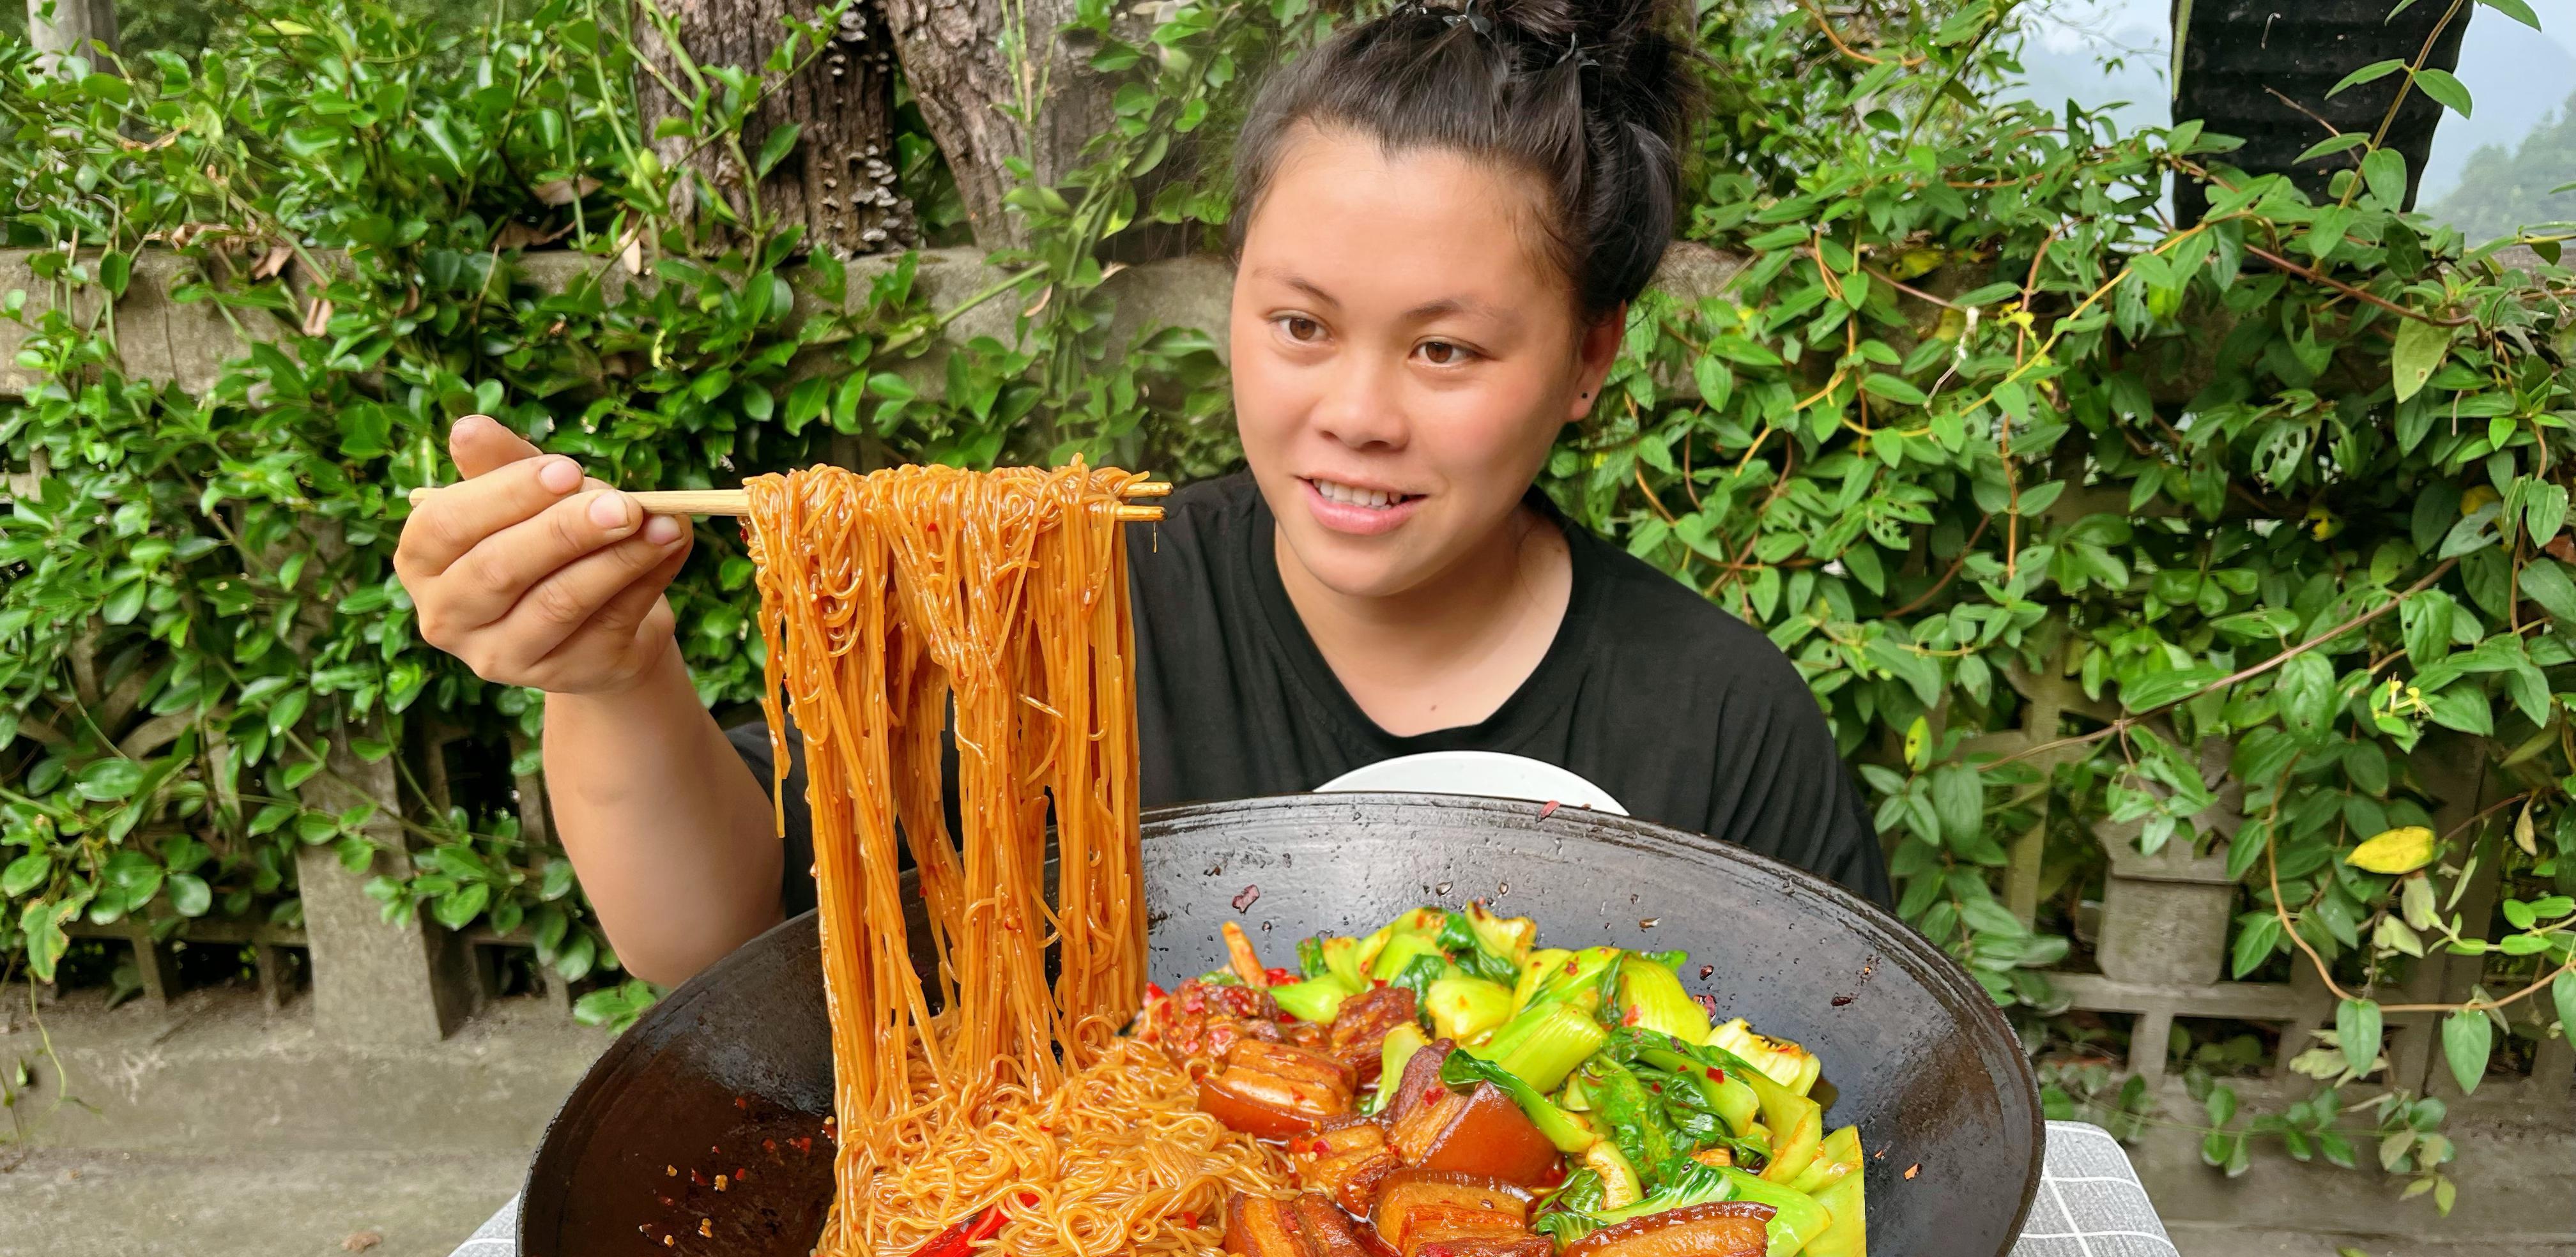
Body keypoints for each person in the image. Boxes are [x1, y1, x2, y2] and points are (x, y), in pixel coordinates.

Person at [392, 0, 1891, 987]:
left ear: (1586, 360)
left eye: (1447, 348)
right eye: (1298, 325)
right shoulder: (1062, 610)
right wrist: (606, 676)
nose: (1353, 415)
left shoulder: (1718, 718)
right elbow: (708, 941)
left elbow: (1837, 1095)